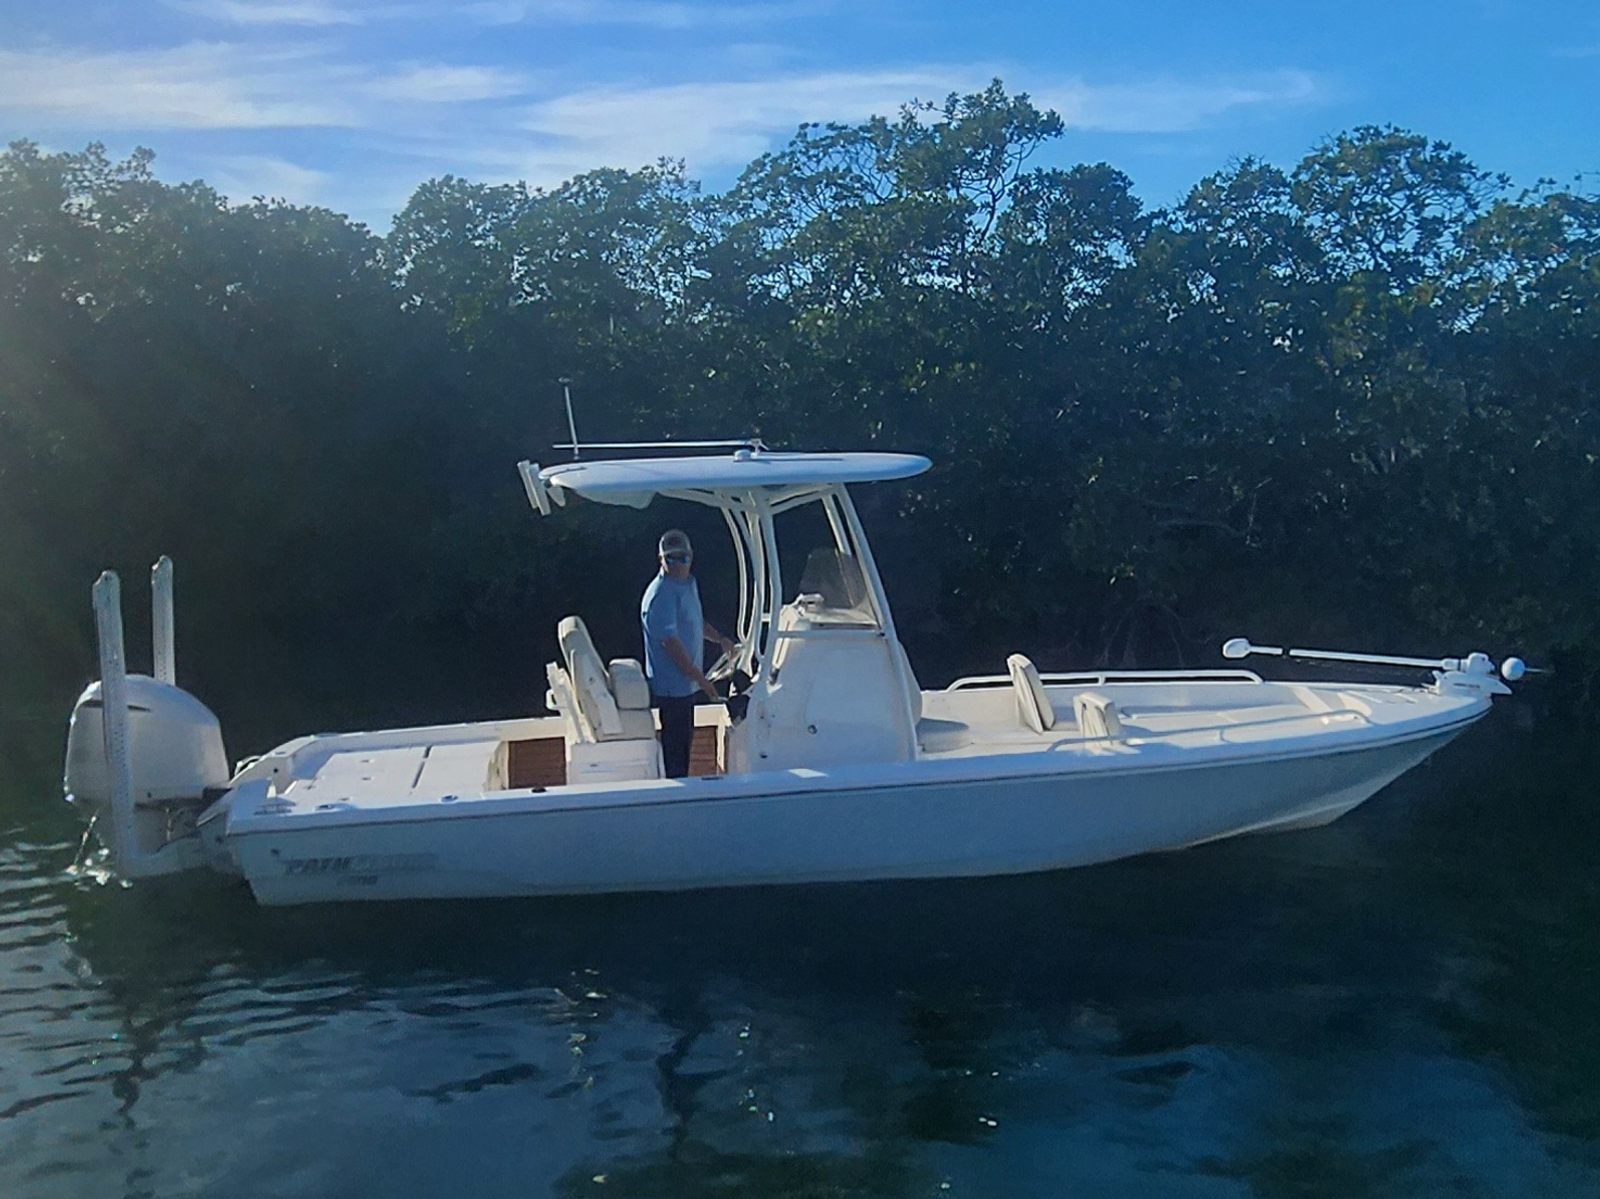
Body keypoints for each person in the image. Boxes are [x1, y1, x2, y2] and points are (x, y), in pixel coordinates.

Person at [640, 529, 736, 778]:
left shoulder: (687, 584)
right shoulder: (660, 596)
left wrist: (721, 639)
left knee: (685, 745)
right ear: (661, 560)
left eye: (682, 558)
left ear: (691, 557)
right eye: (670, 558)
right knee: (676, 752)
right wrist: (702, 681)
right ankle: (675, 791)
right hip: (672, 689)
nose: (678, 564)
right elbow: (671, 645)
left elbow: (693, 622)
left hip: (687, 686)